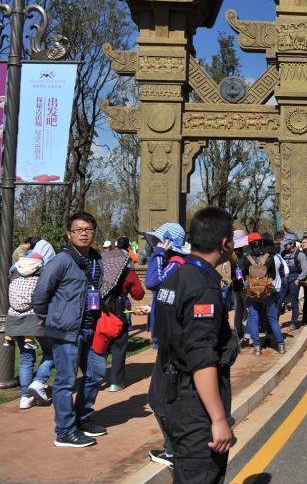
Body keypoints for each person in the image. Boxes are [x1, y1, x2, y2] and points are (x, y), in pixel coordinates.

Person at [152, 207, 238, 484]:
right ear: (224, 244)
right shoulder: (202, 287)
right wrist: (218, 418)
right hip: (195, 406)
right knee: (201, 475)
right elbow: (201, 358)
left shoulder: (175, 276)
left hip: (173, 392)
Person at [31, 212, 107, 447]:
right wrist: (45, 316)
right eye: (78, 230)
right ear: (69, 234)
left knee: (96, 373)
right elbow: (40, 292)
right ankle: (64, 432)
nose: (83, 233)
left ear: (94, 232)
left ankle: (81, 419)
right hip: (65, 331)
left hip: (89, 328)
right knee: (65, 382)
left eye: (88, 229)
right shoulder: (61, 260)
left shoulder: (96, 259)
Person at [143, 222, 190, 466]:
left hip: (171, 344)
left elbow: (152, 282)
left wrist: (159, 253)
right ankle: (175, 447)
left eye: (157, 241)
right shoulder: (174, 265)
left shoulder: (174, 263)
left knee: (159, 398)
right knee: (166, 396)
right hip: (170, 339)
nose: (152, 244)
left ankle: (174, 450)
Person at [6, 239, 56, 409]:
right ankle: (39, 381)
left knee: (27, 358)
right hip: (37, 319)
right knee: (53, 352)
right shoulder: (44, 271)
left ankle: (25, 397)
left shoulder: (15, 269)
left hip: (15, 318)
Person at [101, 246, 145, 391]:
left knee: (99, 346)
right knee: (118, 347)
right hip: (119, 314)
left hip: (99, 313)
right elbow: (138, 294)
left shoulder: (100, 270)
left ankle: (95, 379)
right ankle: (116, 382)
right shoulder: (128, 273)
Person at [241, 232, 285, 355]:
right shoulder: (269, 257)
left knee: (253, 318)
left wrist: (246, 283)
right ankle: (280, 345)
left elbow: (241, 274)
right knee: (272, 319)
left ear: (249, 243)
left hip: (252, 293)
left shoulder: (245, 258)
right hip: (267, 292)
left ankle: (257, 347)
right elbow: (274, 275)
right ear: (261, 242)